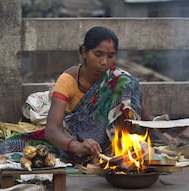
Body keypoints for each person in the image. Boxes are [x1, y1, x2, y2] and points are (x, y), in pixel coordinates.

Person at [44, 26, 168, 163]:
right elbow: (51, 130)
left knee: (127, 81)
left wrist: (157, 123)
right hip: (79, 145)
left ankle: (121, 151)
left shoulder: (118, 81)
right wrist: (77, 146)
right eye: (98, 54)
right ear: (84, 52)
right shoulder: (68, 80)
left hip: (113, 150)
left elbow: (140, 118)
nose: (104, 62)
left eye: (110, 56)